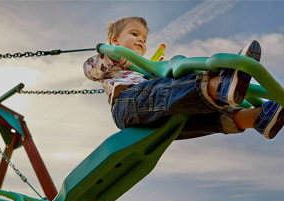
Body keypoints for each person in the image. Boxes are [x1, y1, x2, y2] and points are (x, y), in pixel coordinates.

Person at [84, 16, 284, 140]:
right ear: (115, 40)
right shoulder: (106, 62)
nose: (140, 40)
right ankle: (219, 85)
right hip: (127, 106)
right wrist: (112, 55)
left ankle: (257, 118)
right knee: (168, 89)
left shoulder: (142, 69)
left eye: (144, 39)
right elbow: (90, 69)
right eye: (134, 34)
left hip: (154, 117)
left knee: (192, 119)